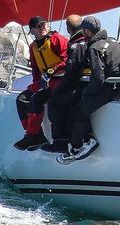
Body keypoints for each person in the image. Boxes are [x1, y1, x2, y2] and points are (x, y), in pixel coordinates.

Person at [63, 16, 120, 160]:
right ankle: (86, 138)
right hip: (117, 88)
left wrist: (86, 92)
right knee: (83, 104)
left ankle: (80, 145)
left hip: (107, 89)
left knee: (78, 109)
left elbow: (98, 78)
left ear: (86, 31)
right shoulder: (113, 42)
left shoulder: (94, 48)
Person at [14, 16, 69, 151]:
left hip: (60, 80)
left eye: (44, 25)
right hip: (45, 82)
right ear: (32, 31)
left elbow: (67, 59)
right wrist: (36, 84)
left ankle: (33, 135)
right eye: (39, 26)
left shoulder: (57, 39)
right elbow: (35, 69)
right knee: (21, 99)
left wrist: (51, 71)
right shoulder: (33, 47)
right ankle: (35, 134)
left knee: (37, 99)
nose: (43, 27)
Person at [39, 14, 88, 153]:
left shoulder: (75, 45)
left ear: (68, 29)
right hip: (90, 86)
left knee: (55, 101)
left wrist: (60, 88)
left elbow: (71, 71)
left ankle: (60, 142)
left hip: (81, 87)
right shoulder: (89, 41)